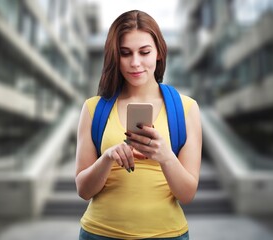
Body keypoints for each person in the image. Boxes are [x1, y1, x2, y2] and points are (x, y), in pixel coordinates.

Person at [75, 10, 202, 240]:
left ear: (159, 54)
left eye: (144, 52)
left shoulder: (187, 109)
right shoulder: (93, 109)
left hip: (168, 235)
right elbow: (83, 190)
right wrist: (107, 158)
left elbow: (187, 194)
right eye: (125, 53)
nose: (135, 63)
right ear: (116, 56)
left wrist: (166, 156)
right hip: (99, 234)